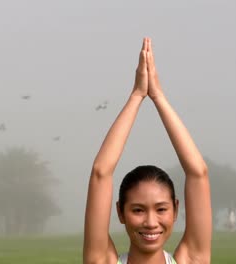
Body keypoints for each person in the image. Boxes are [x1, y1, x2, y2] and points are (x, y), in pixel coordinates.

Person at [83, 38, 212, 264]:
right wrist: (136, 96)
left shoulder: (192, 260)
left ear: (175, 209)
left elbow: (198, 173)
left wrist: (158, 96)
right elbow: (100, 172)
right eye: (138, 210)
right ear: (121, 213)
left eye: (161, 209)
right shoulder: (102, 261)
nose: (151, 222)